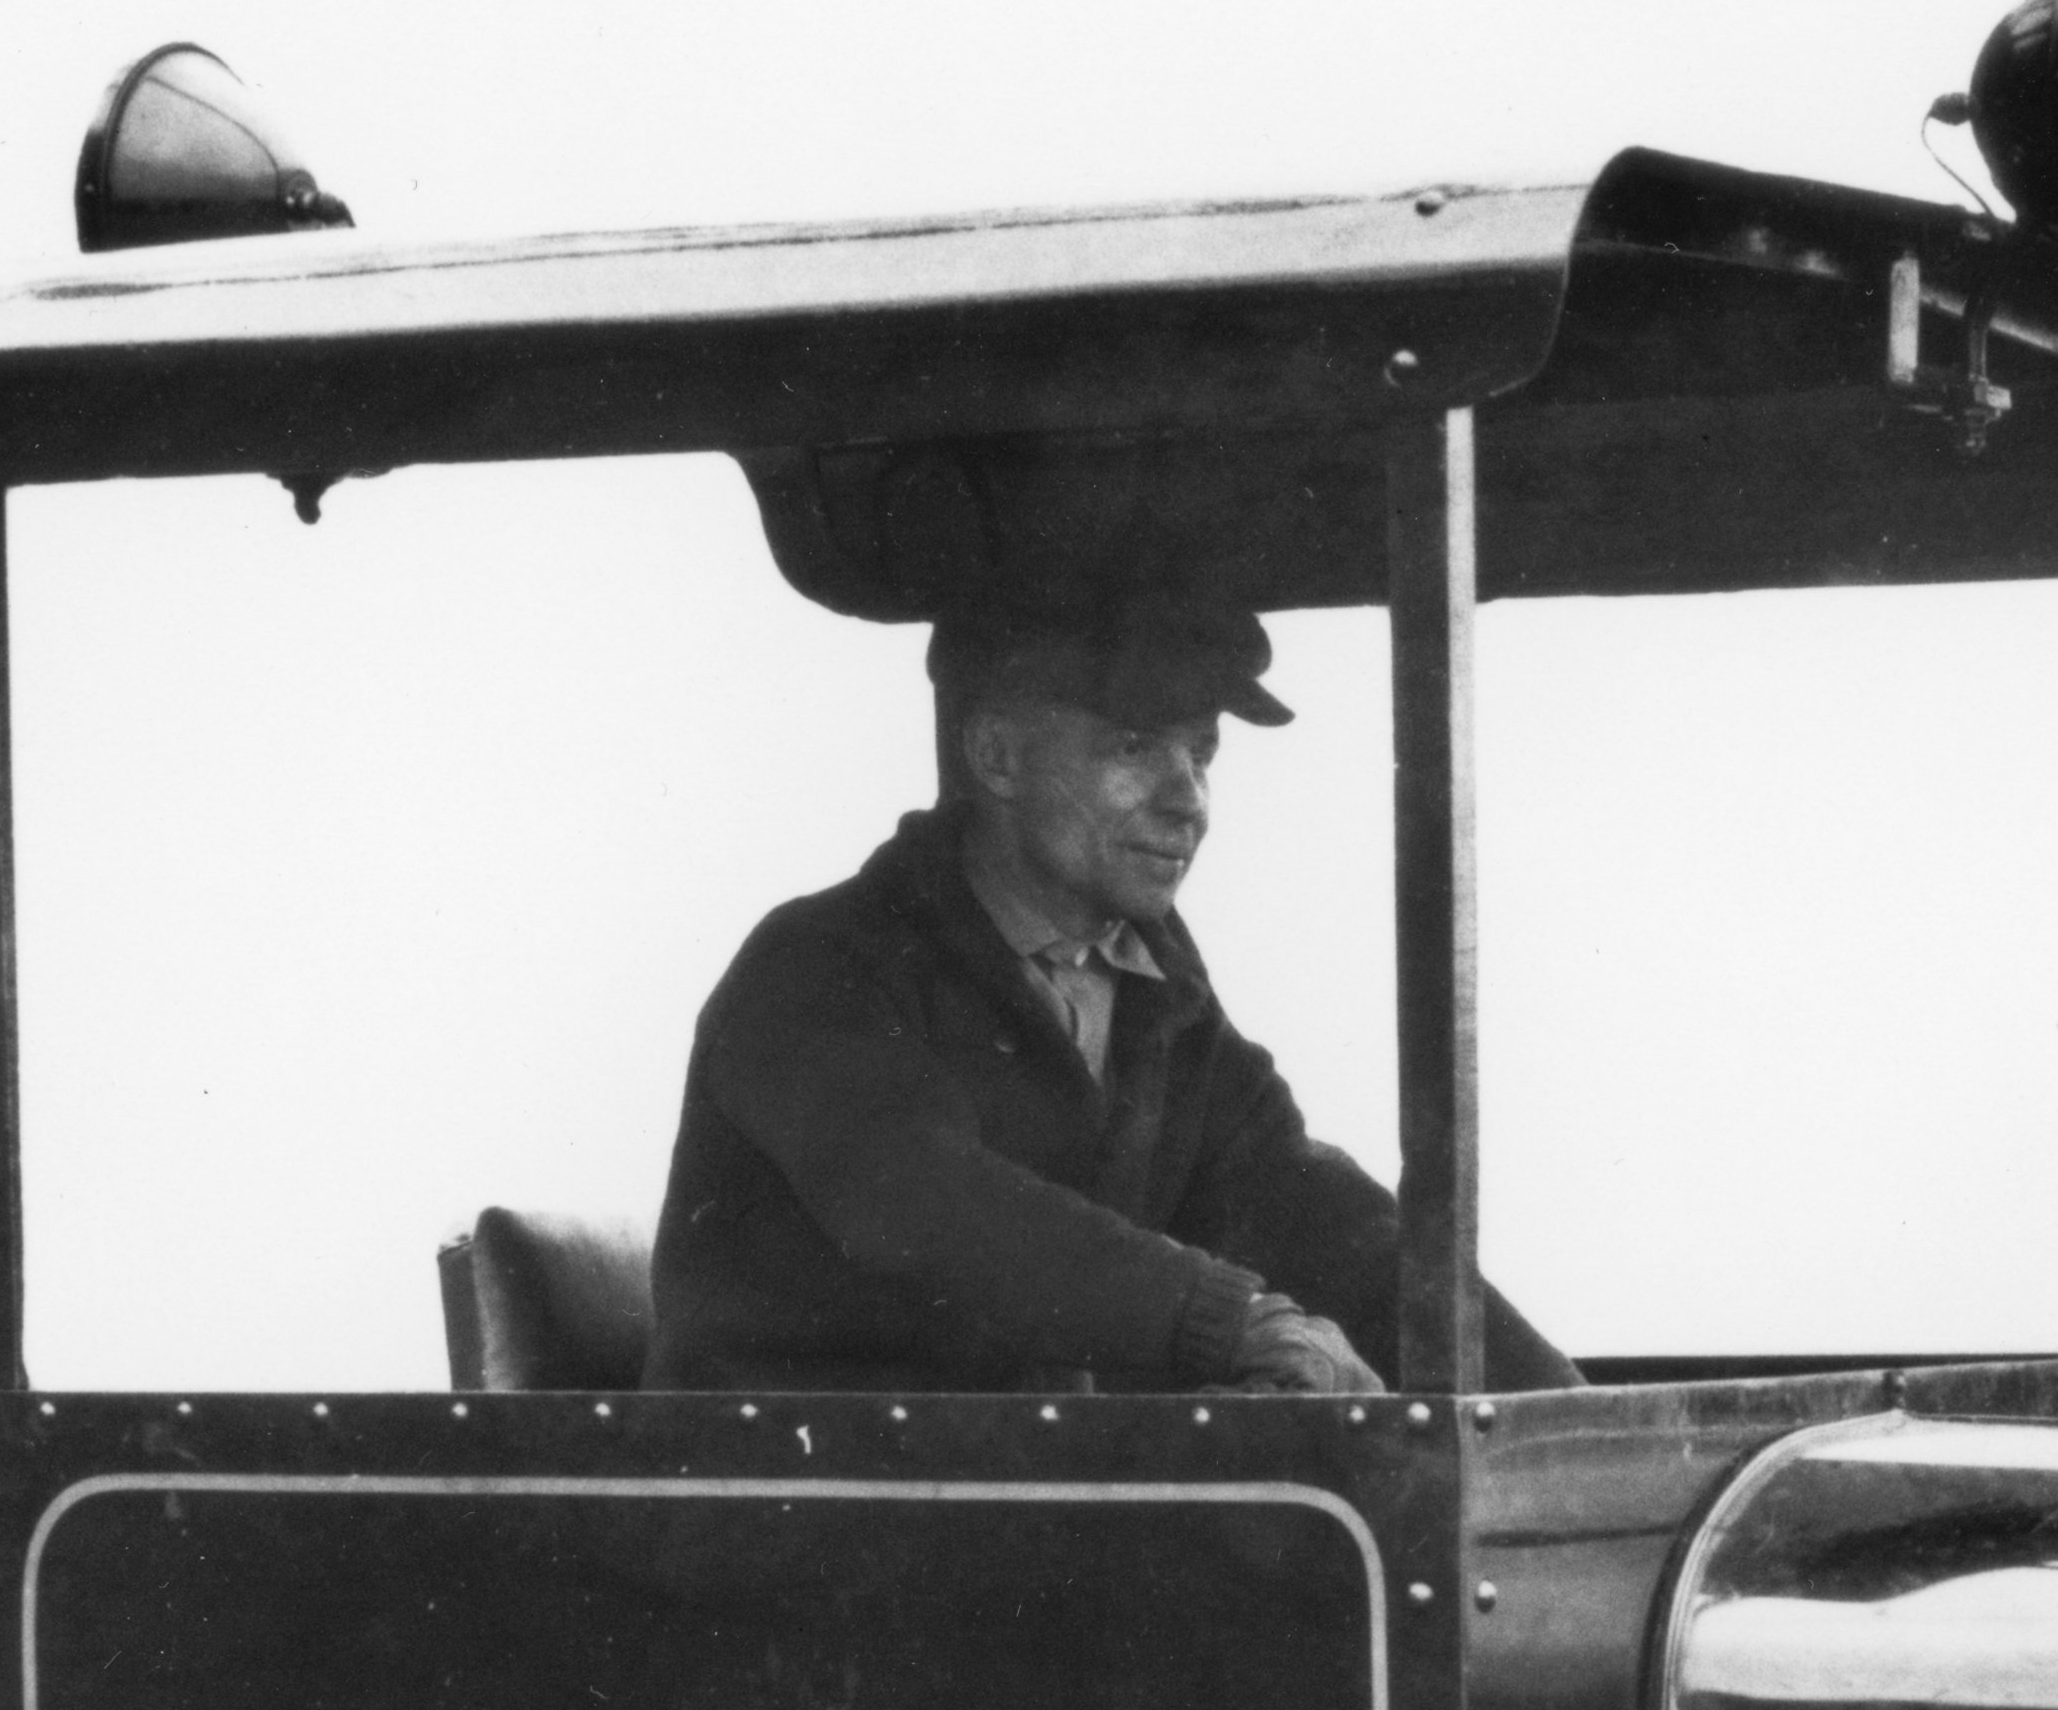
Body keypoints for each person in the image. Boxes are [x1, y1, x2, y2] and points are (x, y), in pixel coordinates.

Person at [643, 584, 1575, 1397]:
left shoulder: (1153, 989)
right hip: (794, 1517)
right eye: (1135, 747)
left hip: (1010, 1506)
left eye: (1201, 753)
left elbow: (1316, 1216)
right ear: (998, 757)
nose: (1189, 801)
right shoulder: (819, 966)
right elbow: (926, 1208)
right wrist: (1234, 1324)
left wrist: (1565, 1416)